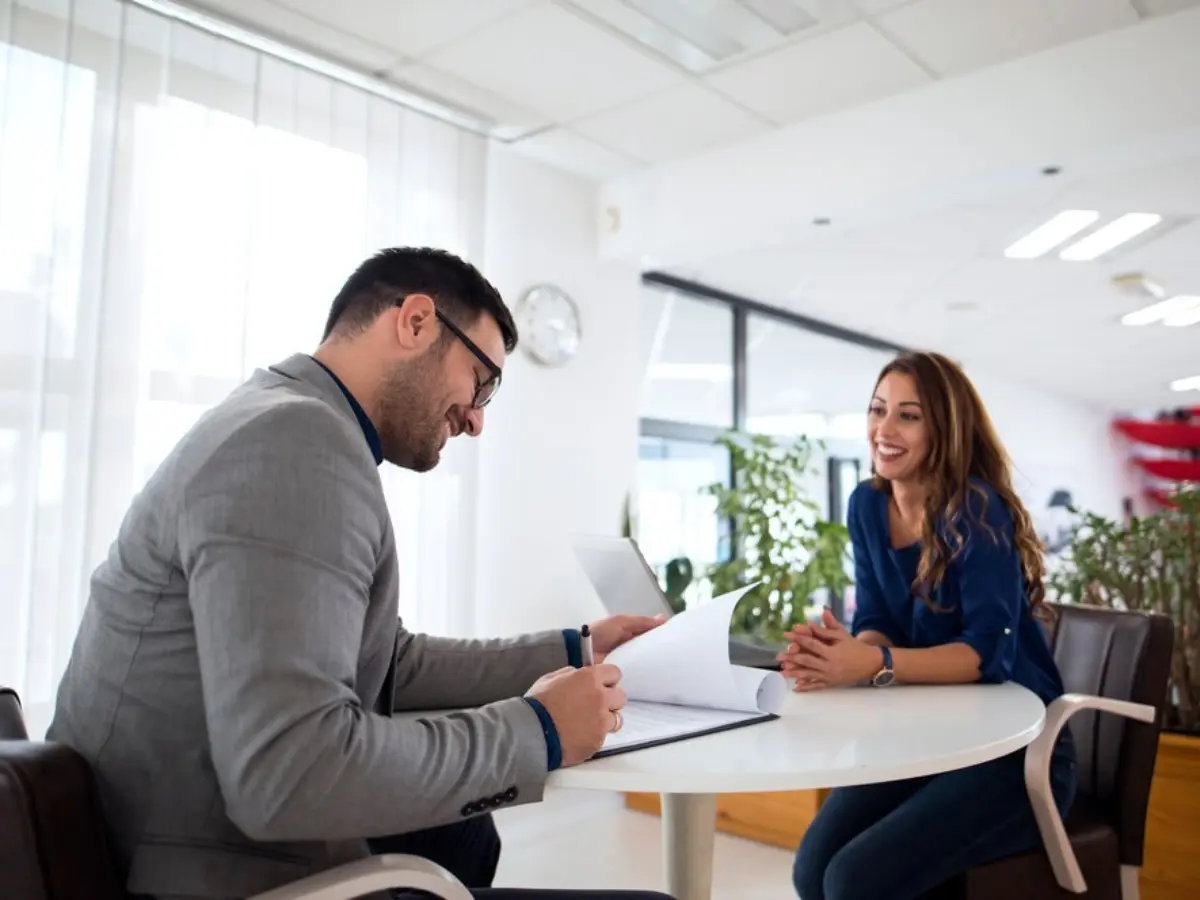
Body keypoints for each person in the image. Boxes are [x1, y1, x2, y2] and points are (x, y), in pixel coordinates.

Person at [46, 248, 673, 900]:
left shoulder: (284, 417)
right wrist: (539, 730)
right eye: (481, 382)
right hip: (195, 866)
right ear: (416, 323)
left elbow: (387, 660)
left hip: (161, 825)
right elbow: (288, 773)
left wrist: (579, 649)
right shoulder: (293, 443)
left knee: (466, 836)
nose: (479, 419)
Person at [778, 350, 1077, 900]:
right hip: (929, 736)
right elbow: (876, 619)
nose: (883, 430)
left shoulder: (978, 511)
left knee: (854, 880)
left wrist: (874, 663)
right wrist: (846, 653)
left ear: (944, 428)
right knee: (811, 868)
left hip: (1016, 751)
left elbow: (988, 657)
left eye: (908, 415)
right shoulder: (866, 504)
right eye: (877, 409)